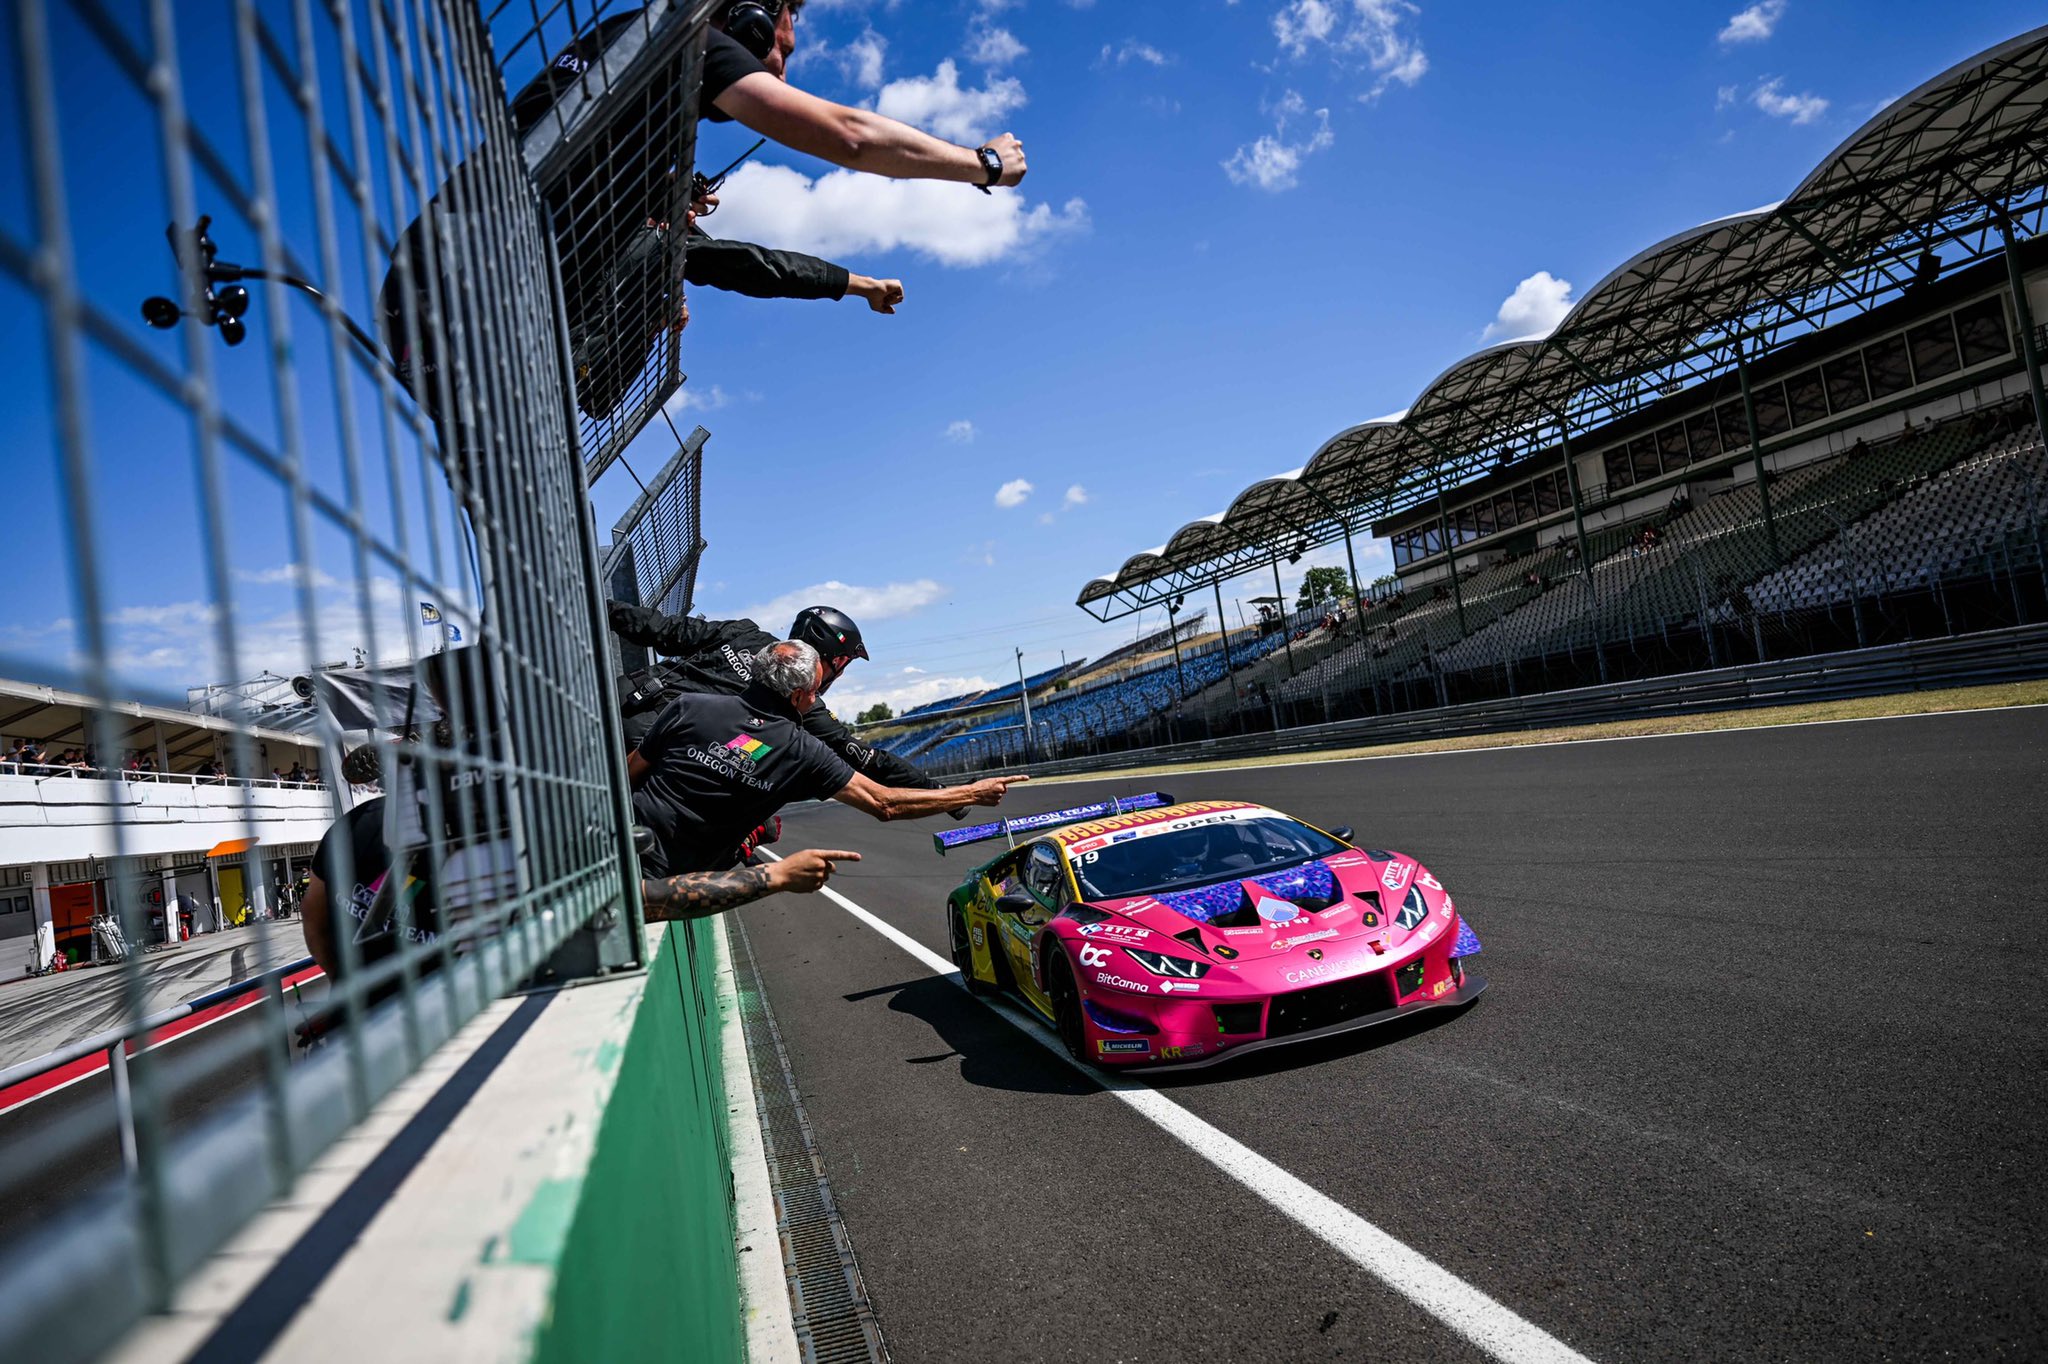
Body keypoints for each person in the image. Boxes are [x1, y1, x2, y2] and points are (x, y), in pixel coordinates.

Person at [628, 641, 1025, 878]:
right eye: (816, 692)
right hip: (674, 879)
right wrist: (969, 794)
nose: (817, 700)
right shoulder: (802, 750)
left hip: (618, 842)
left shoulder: (689, 706)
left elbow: (628, 773)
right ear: (799, 696)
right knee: (765, 840)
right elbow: (884, 803)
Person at [608, 599, 943, 792]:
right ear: (832, 660)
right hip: (642, 754)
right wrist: (935, 790)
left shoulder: (743, 633)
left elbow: (661, 630)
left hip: (615, 699)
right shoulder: (800, 699)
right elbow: (864, 757)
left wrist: (602, 605)